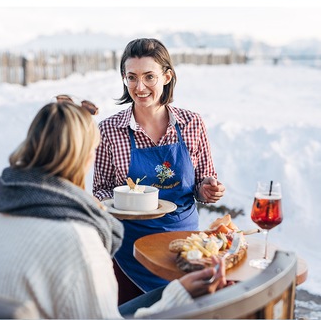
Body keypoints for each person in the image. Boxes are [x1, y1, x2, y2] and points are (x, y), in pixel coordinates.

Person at [0, 100, 226, 318]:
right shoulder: (78, 240)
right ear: (83, 156)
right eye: (94, 150)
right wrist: (180, 295)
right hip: (129, 250)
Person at [93, 38, 224, 301]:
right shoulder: (109, 130)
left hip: (185, 249)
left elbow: (203, 185)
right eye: (131, 77)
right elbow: (100, 190)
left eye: (149, 77)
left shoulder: (191, 124)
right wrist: (109, 203)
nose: (139, 87)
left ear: (167, 77)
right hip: (130, 250)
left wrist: (209, 189)